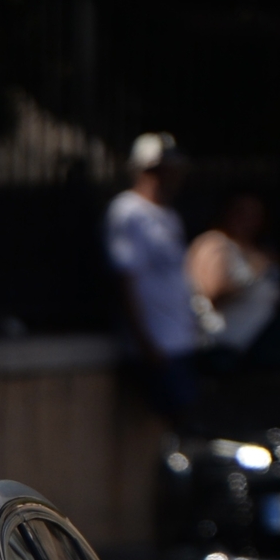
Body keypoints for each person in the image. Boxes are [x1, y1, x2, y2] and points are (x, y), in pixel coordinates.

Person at [104, 132, 199, 421]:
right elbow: (126, 279)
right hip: (157, 345)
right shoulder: (128, 212)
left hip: (180, 340)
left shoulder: (168, 215)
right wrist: (145, 342)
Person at [188, 190, 280, 351]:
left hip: (261, 343)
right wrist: (255, 271)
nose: (247, 220)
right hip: (224, 345)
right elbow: (215, 292)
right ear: (227, 213)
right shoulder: (215, 243)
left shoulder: (261, 250)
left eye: (255, 214)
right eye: (241, 212)